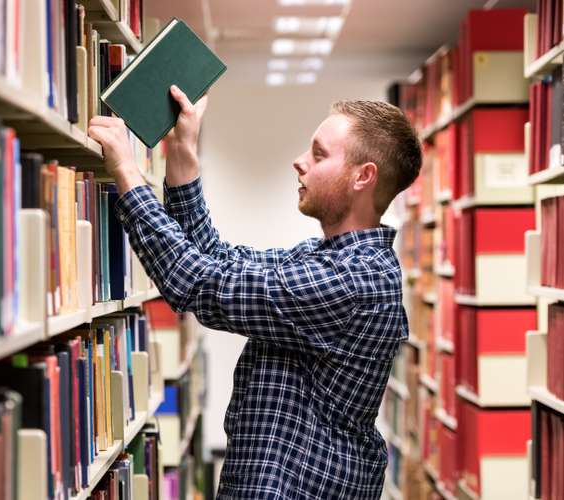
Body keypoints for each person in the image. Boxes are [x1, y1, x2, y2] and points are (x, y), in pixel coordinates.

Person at [87, 85, 421, 499]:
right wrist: (183, 153)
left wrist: (128, 173)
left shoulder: (354, 282)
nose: (299, 162)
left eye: (318, 154)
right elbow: (216, 259)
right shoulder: (323, 258)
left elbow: (198, 284)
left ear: (362, 176)